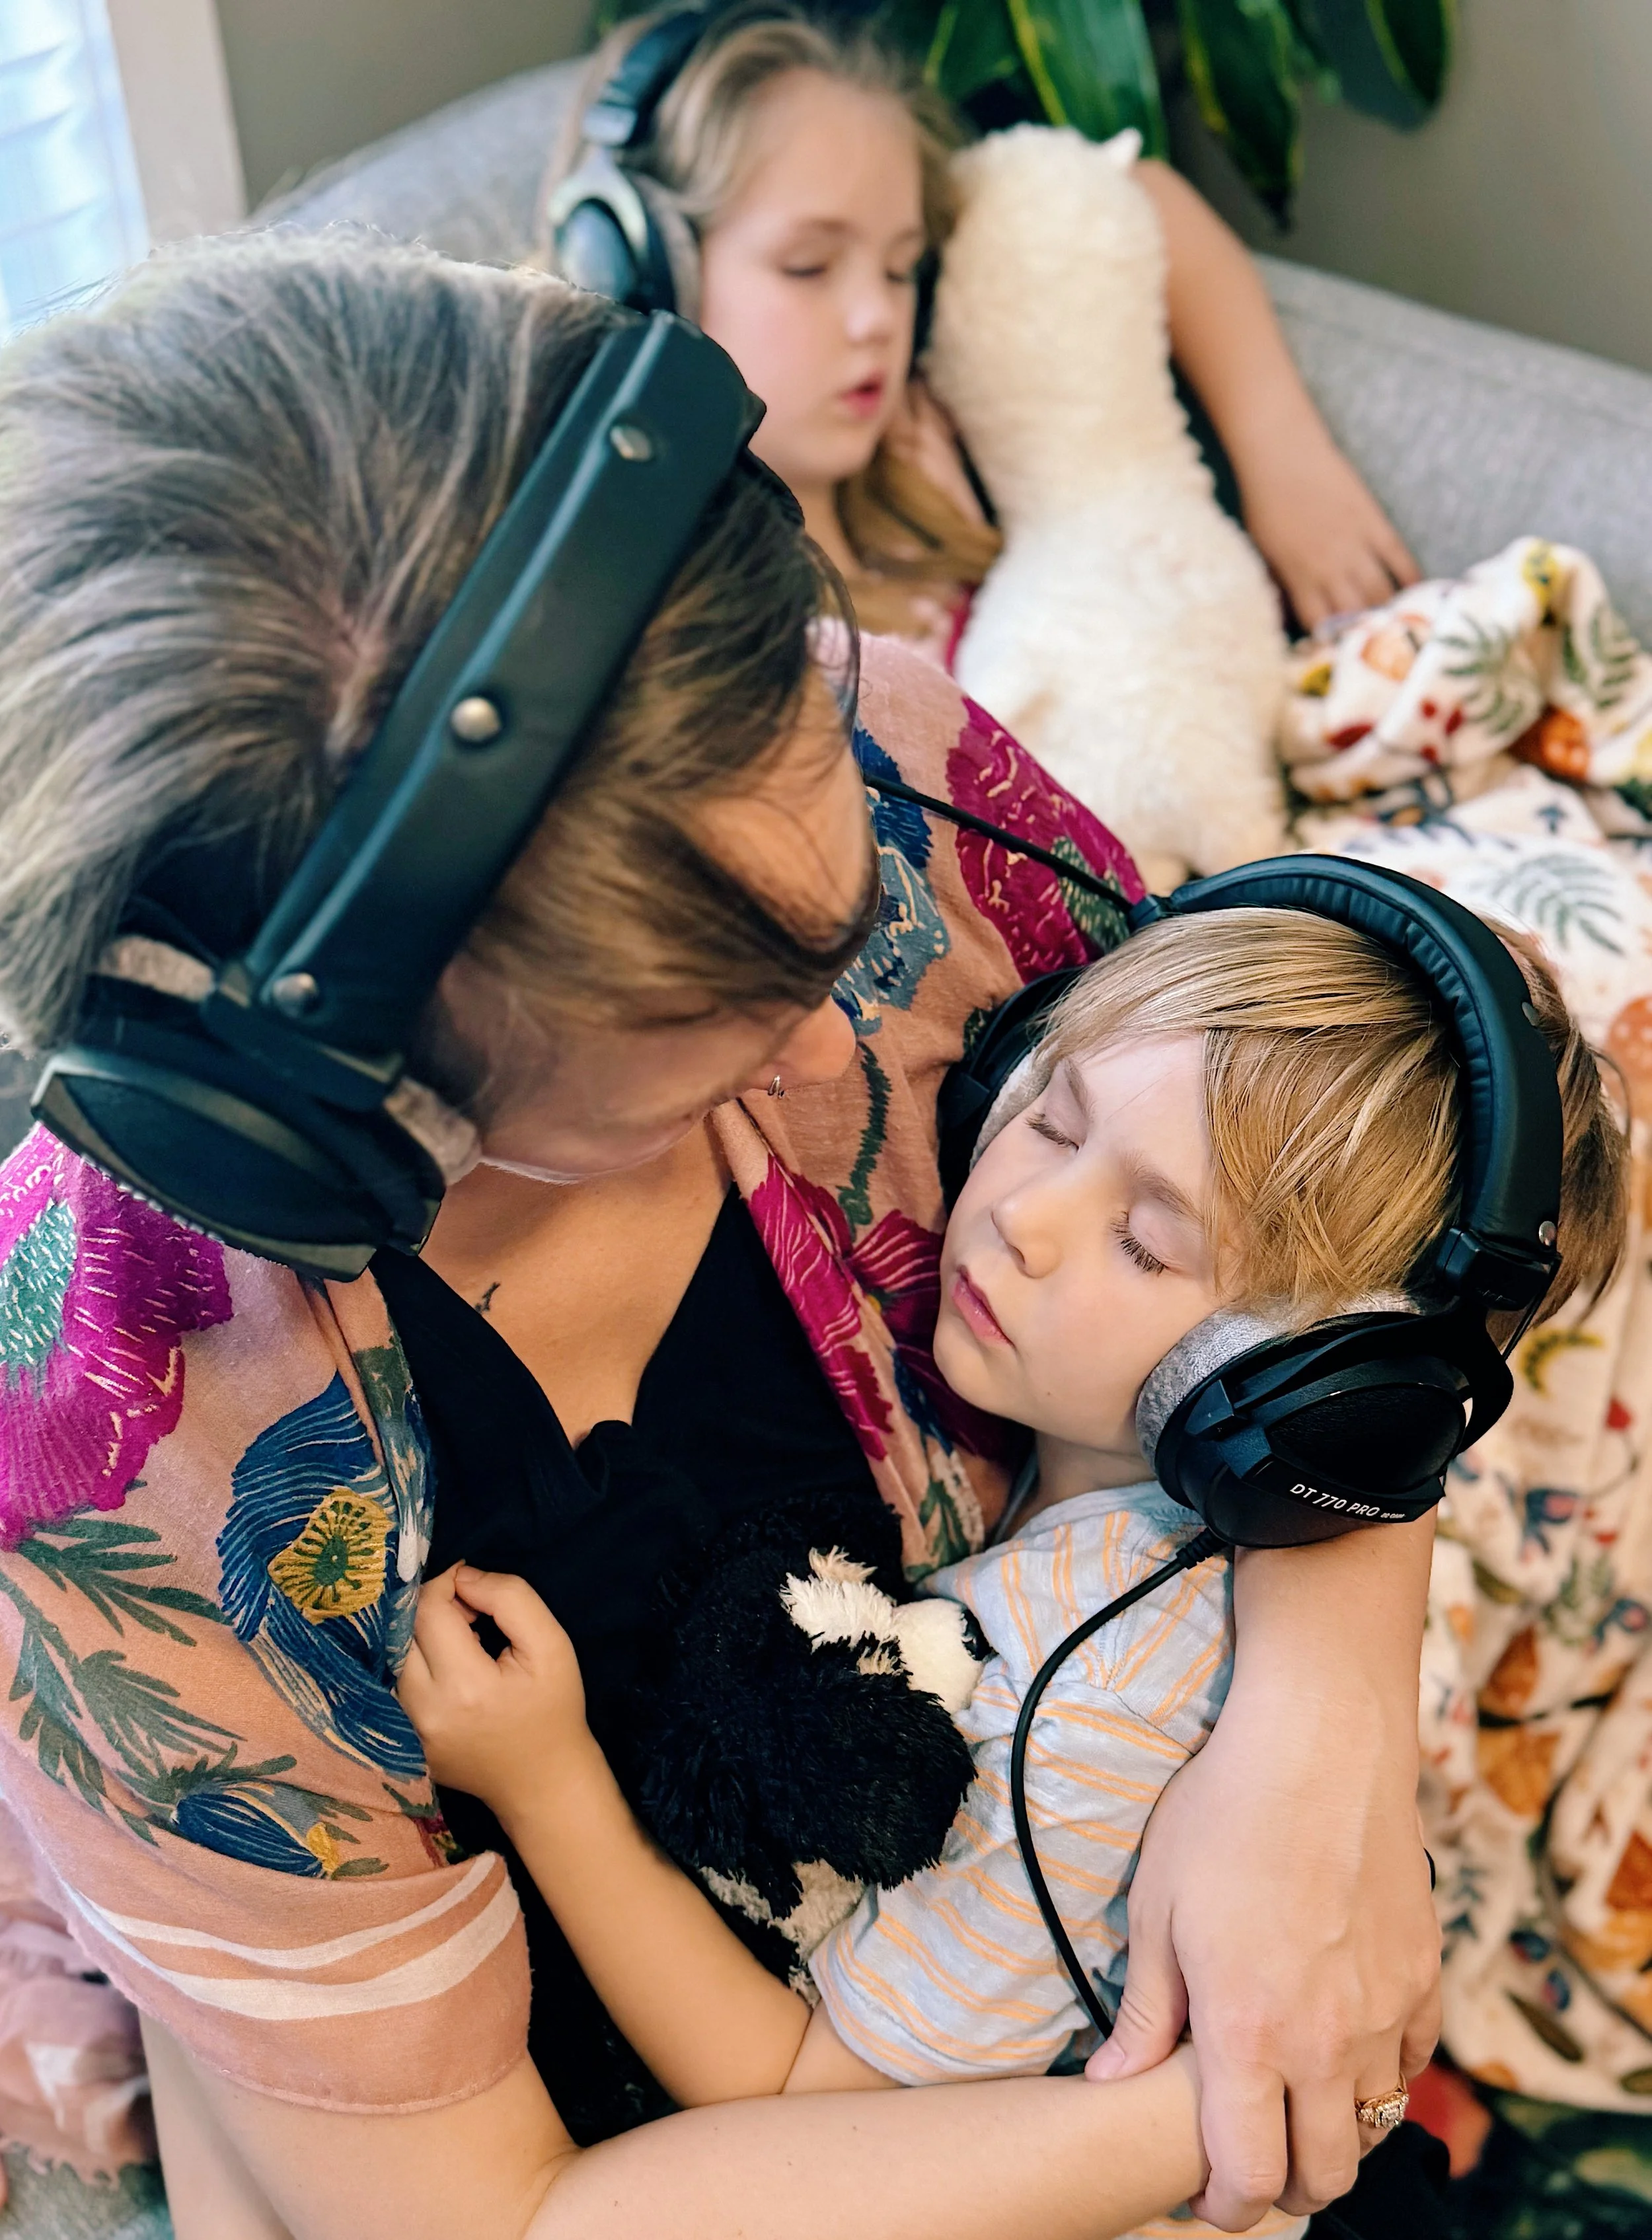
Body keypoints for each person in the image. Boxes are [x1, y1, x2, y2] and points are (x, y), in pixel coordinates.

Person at [0, 227, 1438, 2237]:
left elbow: (1324, 1253)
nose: (874, 976)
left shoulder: (898, 762)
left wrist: (1322, 1727)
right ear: (354, 1131)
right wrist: (1216, 2110)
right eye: (705, 1043)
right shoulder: (122, 1416)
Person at [398, 908, 1626, 2240]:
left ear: (1323, 1404)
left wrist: (547, 1784)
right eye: (1050, 1114)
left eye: (1148, 1244)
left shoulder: (1086, 1724)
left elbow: (800, 2103)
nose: (1025, 1217)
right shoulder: (1120, 1535)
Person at [543, 3, 1420, 648]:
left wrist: (1284, 454)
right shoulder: (654, 608)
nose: (876, 318)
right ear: (630, 269)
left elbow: (1128, 192)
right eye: (808, 265)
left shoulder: (927, 457)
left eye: (901, 267)